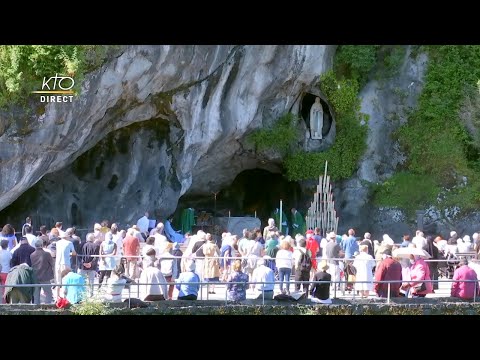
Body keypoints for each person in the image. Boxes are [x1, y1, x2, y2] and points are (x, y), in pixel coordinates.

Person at [30, 238, 54, 304]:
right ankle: (47, 308)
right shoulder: (47, 254)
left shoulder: (32, 255)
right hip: (45, 277)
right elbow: (52, 264)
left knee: (36, 295)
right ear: (42, 245)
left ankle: (36, 310)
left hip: (35, 277)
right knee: (48, 294)